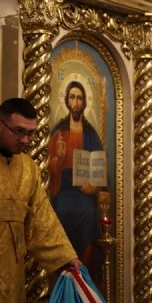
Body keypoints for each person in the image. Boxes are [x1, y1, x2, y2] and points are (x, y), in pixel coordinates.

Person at [0, 98, 81, 303]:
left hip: (13, 278)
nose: (25, 140)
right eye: (19, 132)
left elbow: (42, 221)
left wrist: (66, 257)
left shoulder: (28, 168)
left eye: (31, 133)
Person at [49, 80, 104, 273]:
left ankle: (83, 273)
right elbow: (50, 169)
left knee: (89, 214)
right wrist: (59, 158)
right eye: (72, 97)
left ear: (84, 102)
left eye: (79, 98)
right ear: (66, 100)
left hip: (85, 192)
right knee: (63, 212)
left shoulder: (91, 133)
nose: (76, 102)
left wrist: (94, 187)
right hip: (64, 190)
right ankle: (66, 272)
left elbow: (99, 167)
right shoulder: (59, 131)